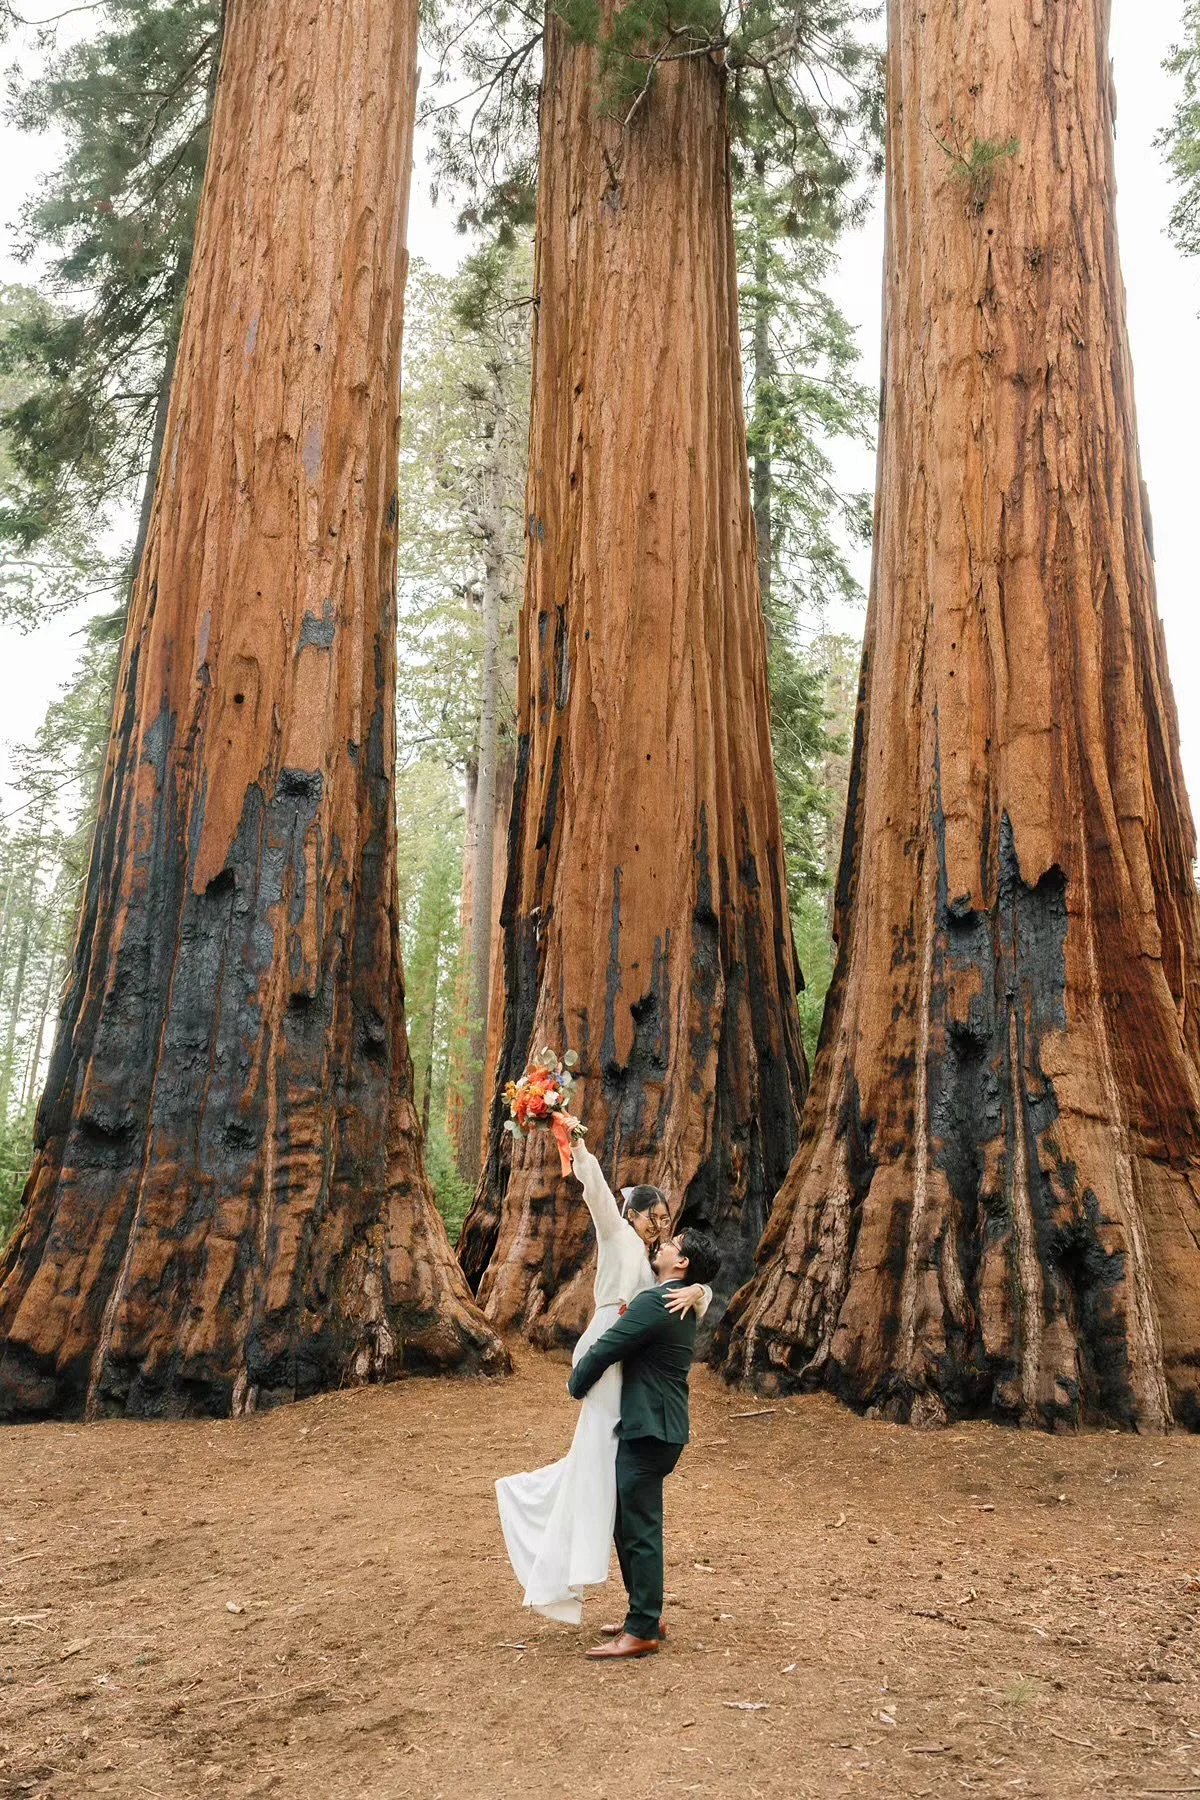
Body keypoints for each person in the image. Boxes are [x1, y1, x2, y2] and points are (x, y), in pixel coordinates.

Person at [495, 1123, 711, 1626]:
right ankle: (564, 1544)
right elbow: (594, 1192)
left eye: (661, 1218)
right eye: (649, 1215)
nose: (657, 1225)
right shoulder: (617, 1235)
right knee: (601, 1450)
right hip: (607, 1348)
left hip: (625, 1353)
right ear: (631, 1215)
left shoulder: (658, 1266)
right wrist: (572, 1140)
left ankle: (580, 1529)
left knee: (602, 1458)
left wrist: (701, 1292)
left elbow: (687, 1286)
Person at [568, 1226, 723, 1660]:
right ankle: (646, 1614)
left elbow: (608, 1347)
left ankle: (642, 1630)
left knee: (640, 1528)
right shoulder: (677, 1299)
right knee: (629, 1522)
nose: (663, 1244)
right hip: (657, 1425)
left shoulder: (659, 1302)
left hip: (651, 1427)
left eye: (672, 1244)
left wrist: (576, 1383)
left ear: (683, 1263)